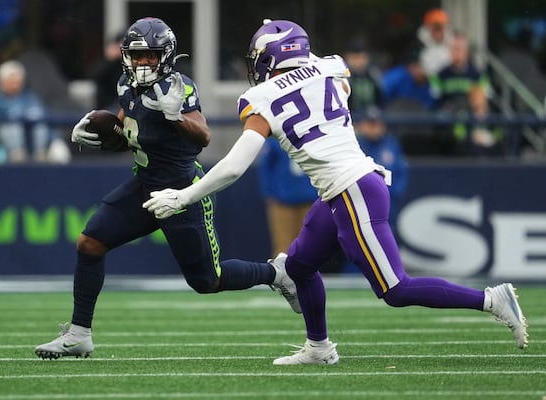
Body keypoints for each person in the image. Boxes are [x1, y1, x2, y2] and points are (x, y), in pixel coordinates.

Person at [144, 18, 528, 365]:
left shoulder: (262, 99)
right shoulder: (330, 68)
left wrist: (183, 196)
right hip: (346, 188)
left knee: (396, 288)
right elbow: (339, 83)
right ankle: (319, 347)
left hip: (353, 188)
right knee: (296, 267)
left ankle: (492, 299)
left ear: (269, 58)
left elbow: (233, 167)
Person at [34, 17, 299, 360]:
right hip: (145, 185)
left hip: (181, 192)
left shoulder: (179, 87)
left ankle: (275, 273)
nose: (143, 62)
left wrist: (177, 117)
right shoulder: (125, 86)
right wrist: (97, 131)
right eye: (138, 55)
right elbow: (128, 132)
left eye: (151, 55)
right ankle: (79, 334)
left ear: (167, 55)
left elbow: (202, 135)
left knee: (207, 281)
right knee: (90, 242)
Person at [0, 60, 71, 163]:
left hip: (39, 148)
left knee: (59, 150)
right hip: (9, 150)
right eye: (11, 80)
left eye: (18, 80)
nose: (15, 83)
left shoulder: (31, 98)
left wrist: (53, 139)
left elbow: (45, 118)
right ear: (2, 82)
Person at [257, 138, 318, 257]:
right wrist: (269, 193)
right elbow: (265, 166)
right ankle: (282, 274)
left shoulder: (314, 134)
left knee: (309, 247)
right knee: (283, 247)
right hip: (282, 201)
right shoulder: (276, 136)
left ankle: (307, 275)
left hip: (310, 199)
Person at [355, 106, 408, 227]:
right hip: (362, 205)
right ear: (362, 125)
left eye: (376, 124)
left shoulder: (391, 144)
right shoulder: (355, 146)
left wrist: (393, 195)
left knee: (389, 237)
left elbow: (401, 171)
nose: (373, 128)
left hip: (389, 204)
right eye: (369, 124)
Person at [342, 35, 383, 112]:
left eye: (361, 58)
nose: (358, 63)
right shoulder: (341, 78)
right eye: (354, 58)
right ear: (347, 58)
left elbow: (382, 100)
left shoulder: (374, 75)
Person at [90, 32, 124, 112]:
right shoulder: (110, 64)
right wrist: (109, 60)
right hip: (107, 107)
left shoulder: (132, 65)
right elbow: (95, 75)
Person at [417, 8, 453, 76]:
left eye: (440, 29)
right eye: (434, 29)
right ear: (427, 29)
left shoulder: (453, 46)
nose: (438, 33)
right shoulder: (418, 47)